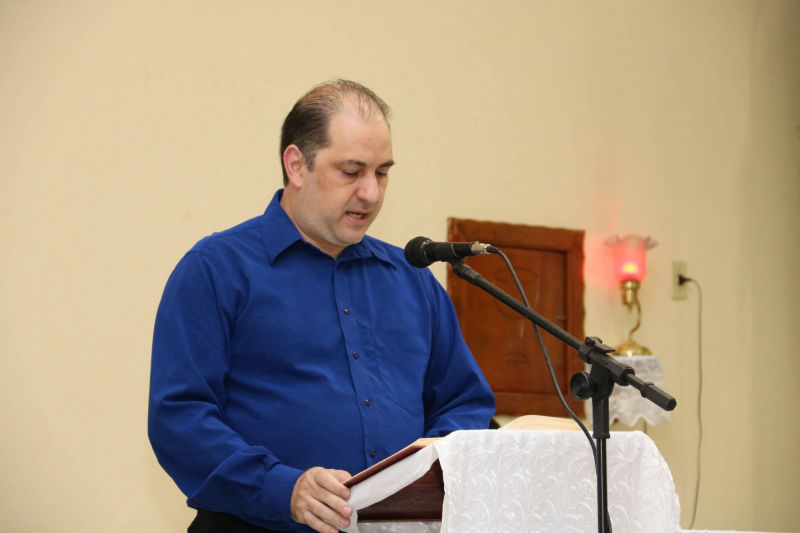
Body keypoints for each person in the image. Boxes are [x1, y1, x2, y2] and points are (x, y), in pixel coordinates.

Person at [148, 80, 496, 533]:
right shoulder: (216, 269)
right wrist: (282, 488)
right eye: (352, 172)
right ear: (296, 165)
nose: (371, 193)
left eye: (382, 173)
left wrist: (433, 473)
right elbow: (180, 417)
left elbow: (464, 402)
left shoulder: (413, 279)